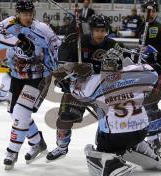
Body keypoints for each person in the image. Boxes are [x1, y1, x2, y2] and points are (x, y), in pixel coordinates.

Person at [60, 47, 161, 175]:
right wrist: (151, 61)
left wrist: (70, 83)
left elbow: (79, 94)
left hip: (115, 137)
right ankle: (154, 159)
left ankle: (112, 166)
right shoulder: (142, 74)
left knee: (95, 146)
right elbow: (155, 71)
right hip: (141, 131)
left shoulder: (96, 82)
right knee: (130, 133)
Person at [0, 0, 61, 170]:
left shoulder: (42, 29)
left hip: (39, 77)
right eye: (24, 14)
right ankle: (37, 142)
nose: (28, 17)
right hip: (17, 75)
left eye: (30, 14)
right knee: (14, 113)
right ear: (18, 13)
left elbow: (57, 47)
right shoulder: (8, 24)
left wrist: (60, 72)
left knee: (21, 112)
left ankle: (12, 152)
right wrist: (18, 42)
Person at [46, 15, 123, 162]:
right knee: (64, 118)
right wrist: (64, 79)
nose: (100, 34)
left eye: (103, 30)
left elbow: (123, 68)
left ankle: (105, 146)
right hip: (79, 89)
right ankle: (61, 147)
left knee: (108, 121)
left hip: (103, 92)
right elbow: (63, 67)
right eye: (97, 30)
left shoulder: (114, 46)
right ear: (91, 30)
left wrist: (93, 68)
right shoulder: (79, 42)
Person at [139, 0, 161, 151]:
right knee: (151, 104)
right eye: (146, 11)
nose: (148, 13)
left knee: (148, 103)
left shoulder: (156, 28)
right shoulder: (144, 27)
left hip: (158, 71)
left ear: (156, 12)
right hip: (149, 71)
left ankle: (154, 140)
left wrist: (146, 50)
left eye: (151, 11)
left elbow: (160, 48)